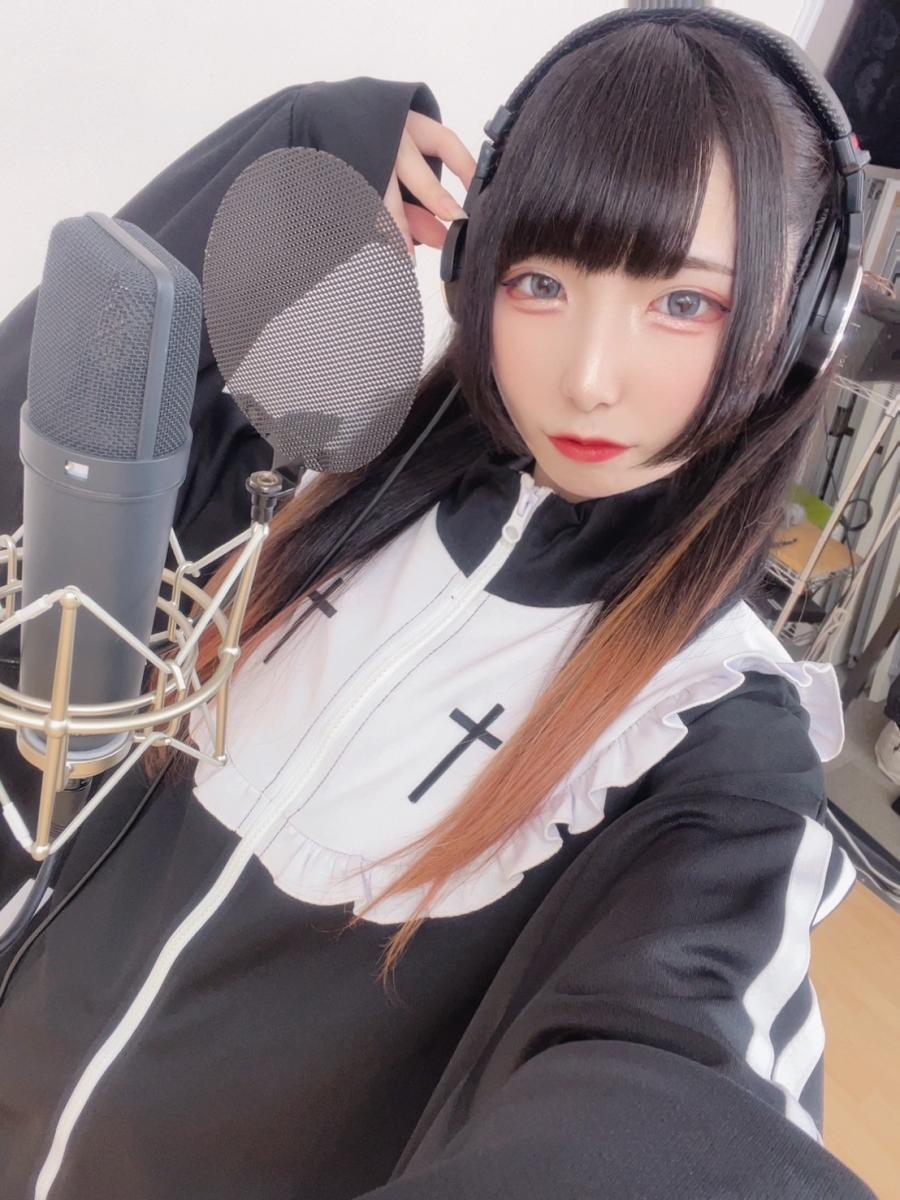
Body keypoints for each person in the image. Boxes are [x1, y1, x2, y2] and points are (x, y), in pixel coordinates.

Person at [0, 9, 879, 1199]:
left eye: (685, 303)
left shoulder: (713, 739)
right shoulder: (308, 489)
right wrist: (300, 147)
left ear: (802, 323)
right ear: (474, 272)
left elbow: (679, 1093)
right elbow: (44, 441)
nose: (589, 378)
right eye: (541, 281)